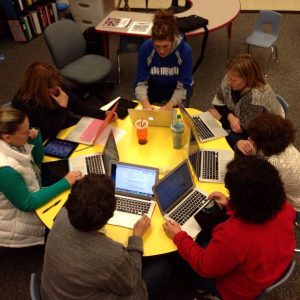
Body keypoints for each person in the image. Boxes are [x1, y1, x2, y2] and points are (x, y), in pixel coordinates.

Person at [163, 156, 295, 300]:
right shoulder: (285, 208)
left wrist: (179, 236)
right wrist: (231, 204)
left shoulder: (233, 235)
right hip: (268, 270)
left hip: (235, 291)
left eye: (231, 191)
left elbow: (204, 267)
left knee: (176, 257)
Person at [41, 174, 170, 300]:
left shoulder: (62, 215)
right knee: (162, 266)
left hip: (50, 294)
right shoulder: (113, 255)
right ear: (109, 215)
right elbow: (131, 283)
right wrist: (136, 238)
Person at [0, 107, 81, 248]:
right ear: (7, 137)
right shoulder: (5, 169)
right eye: (25, 132)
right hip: (15, 220)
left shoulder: (14, 141)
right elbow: (27, 204)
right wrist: (65, 182)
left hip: (34, 185)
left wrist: (36, 138)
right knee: (72, 220)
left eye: (29, 127)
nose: (29, 132)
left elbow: (37, 160)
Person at [12, 62, 117, 141]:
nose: (55, 89)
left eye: (56, 84)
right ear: (39, 88)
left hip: (63, 121)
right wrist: (62, 108)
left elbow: (78, 106)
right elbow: (49, 132)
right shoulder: (27, 104)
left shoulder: (56, 85)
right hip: (47, 135)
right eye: (51, 88)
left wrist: (104, 114)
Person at [236, 112, 300, 226]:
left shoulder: (271, 165)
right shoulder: (285, 144)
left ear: (262, 144)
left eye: (252, 139)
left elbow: (256, 188)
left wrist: (243, 151)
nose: (248, 139)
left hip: (295, 206)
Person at [208, 54, 284, 148]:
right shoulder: (231, 77)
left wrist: (221, 118)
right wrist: (230, 117)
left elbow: (244, 128)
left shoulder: (255, 98)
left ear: (248, 79)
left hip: (262, 130)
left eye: (233, 80)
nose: (228, 82)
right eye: (228, 77)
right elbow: (219, 103)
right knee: (209, 120)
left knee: (228, 141)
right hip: (242, 117)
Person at [134, 9, 193, 111]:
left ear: (173, 39)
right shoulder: (146, 48)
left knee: (176, 122)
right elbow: (141, 83)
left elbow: (183, 87)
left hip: (176, 91)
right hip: (153, 90)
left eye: (165, 46)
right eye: (157, 46)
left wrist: (169, 105)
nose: (161, 51)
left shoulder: (185, 51)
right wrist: (146, 104)